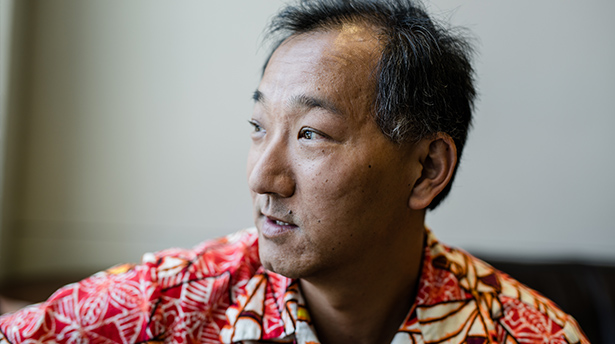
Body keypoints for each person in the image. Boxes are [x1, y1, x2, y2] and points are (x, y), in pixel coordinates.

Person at [0, 0, 589, 343]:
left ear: (426, 169)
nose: (263, 177)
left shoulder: (529, 332)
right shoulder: (172, 304)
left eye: (311, 134)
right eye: (259, 127)